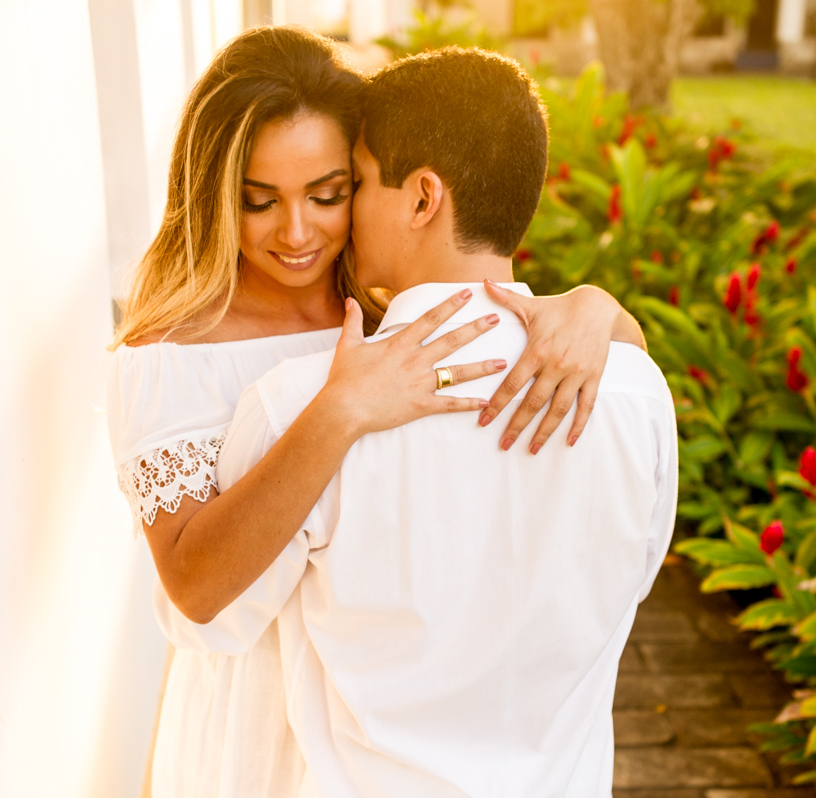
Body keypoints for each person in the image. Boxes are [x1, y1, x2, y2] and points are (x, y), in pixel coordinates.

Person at [106, 27, 645, 798]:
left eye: (328, 195)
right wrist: (338, 413)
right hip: (259, 729)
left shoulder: (384, 304)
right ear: (215, 197)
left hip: (396, 724)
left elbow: (589, 349)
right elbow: (195, 592)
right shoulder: (170, 354)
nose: (297, 234)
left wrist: (596, 308)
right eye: (260, 202)